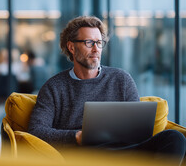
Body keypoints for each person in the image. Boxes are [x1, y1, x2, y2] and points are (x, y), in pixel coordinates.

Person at [28, 16, 185, 164]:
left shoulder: (121, 79)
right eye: (89, 42)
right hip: (84, 154)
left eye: (99, 42)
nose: (96, 49)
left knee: (174, 138)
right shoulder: (54, 87)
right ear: (71, 47)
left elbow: (138, 130)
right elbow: (36, 130)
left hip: (125, 151)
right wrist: (76, 137)